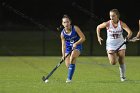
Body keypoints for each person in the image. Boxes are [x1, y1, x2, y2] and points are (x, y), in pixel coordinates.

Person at [96, 9, 132, 81]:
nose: (111, 17)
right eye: (110, 16)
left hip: (121, 43)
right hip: (111, 45)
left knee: (121, 59)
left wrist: (127, 38)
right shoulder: (108, 23)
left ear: (117, 16)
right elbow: (98, 27)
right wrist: (98, 37)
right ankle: (114, 56)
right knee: (113, 62)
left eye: (113, 16)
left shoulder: (121, 24)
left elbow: (130, 32)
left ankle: (123, 77)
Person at [60, 14, 86, 83]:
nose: (66, 24)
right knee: (68, 65)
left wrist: (76, 43)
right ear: (62, 24)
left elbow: (83, 38)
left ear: (70, 22)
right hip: (68, 48)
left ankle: (68, 79)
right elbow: (63, 45)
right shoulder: (62, 33)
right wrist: (63, 55)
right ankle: (71, 72)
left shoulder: (75, 28)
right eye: (64, 22)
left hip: (77, 46)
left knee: (73, 58)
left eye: (67, 22)